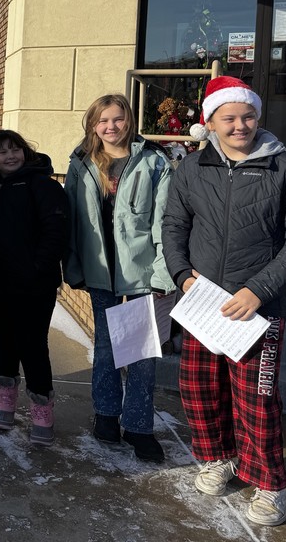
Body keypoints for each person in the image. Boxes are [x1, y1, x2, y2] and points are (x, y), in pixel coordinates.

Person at [163, 76, 286, 527]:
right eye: (228, 118)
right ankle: (219, 458)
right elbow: (174, 225)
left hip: (259, 308)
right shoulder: (192, 169)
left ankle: (270, 484)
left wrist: (259, 290)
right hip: (204, 305)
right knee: (200, 391)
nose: (240, 125)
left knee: (257, 400)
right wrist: (181, 275)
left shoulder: (285, 168)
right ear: (210, 122)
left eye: (247, 115)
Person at [64, 93, 175, 463]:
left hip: (142, 273)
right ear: (93, 125)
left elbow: (165, 222)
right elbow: (73, 222)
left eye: (117, 119)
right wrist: (75, 267)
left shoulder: (154, 161)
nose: (111, 127)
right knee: (107, 349)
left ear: (129, 119)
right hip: (100, 272)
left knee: (142, 353)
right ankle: (107, 415)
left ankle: (140, 426)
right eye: (103, 121)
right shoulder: (81, 163)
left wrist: (162, 273)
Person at [0, 130, 69, 445]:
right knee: (4, 338)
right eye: (1, 152)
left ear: (25, 152)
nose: (10, 156)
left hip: (35, 284)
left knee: (32, 343)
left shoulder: (43, 186)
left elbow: (55, 231)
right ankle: (5, 399)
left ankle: (42, 408)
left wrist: (37, 268)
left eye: (15, 149)